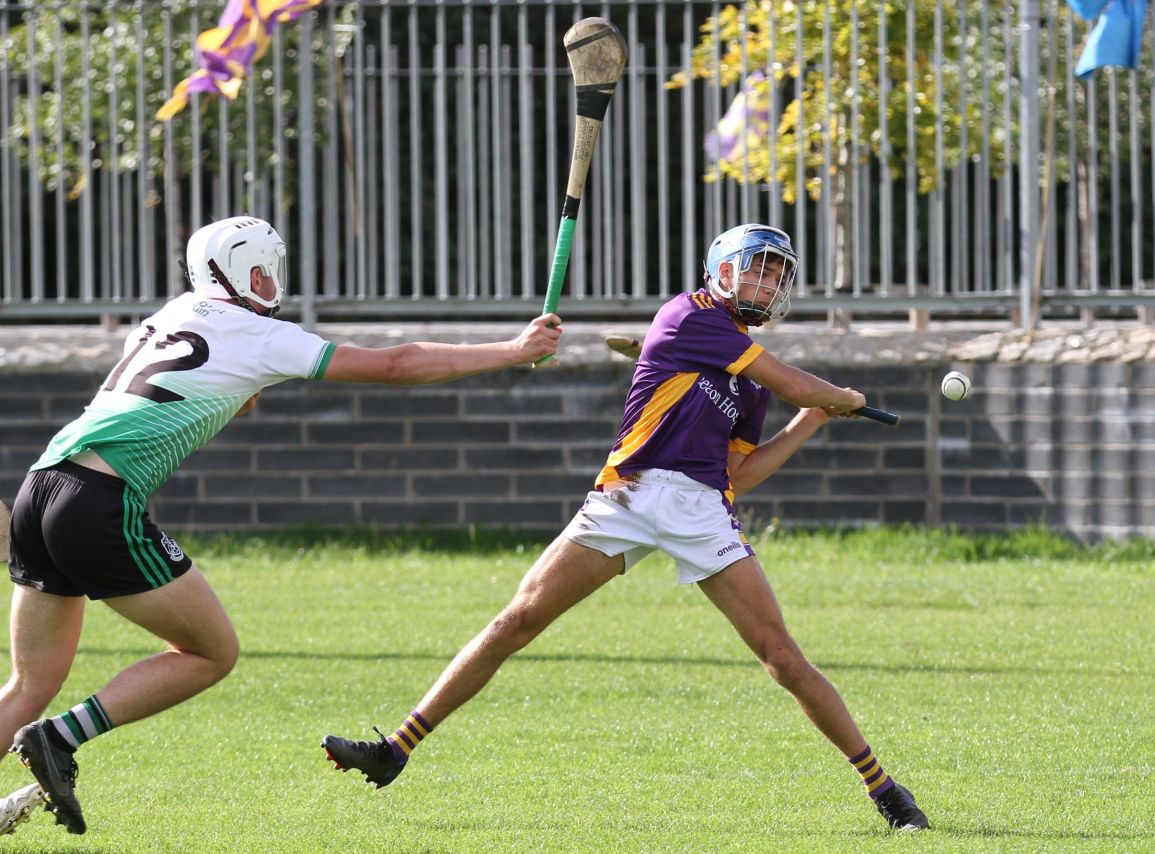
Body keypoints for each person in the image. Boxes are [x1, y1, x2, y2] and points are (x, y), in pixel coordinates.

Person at [323, 223, 930, 832]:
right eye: (758, 268)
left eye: (778, 274)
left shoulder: (750, 380)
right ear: (721, 272)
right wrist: (839, 396)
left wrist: (812, 420)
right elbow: (795, 379)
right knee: (517, 619)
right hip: (628, 497)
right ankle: (396, 748)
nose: (768, 283)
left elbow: (738, 475)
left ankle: (886, 790)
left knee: (783, 660)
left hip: (701, 508)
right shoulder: (690, 316)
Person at [1, 215, 561, 836]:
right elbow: (397, 365)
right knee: (210, 651)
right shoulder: (261, 334)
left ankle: (47, 731)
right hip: (98, 504)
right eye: (268, 269)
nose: (276, 282)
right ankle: (59, 737)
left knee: (28, 680)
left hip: (43, 482)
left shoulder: (175, 310)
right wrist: (514, 350)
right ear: (250, 272)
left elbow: (211, 390)